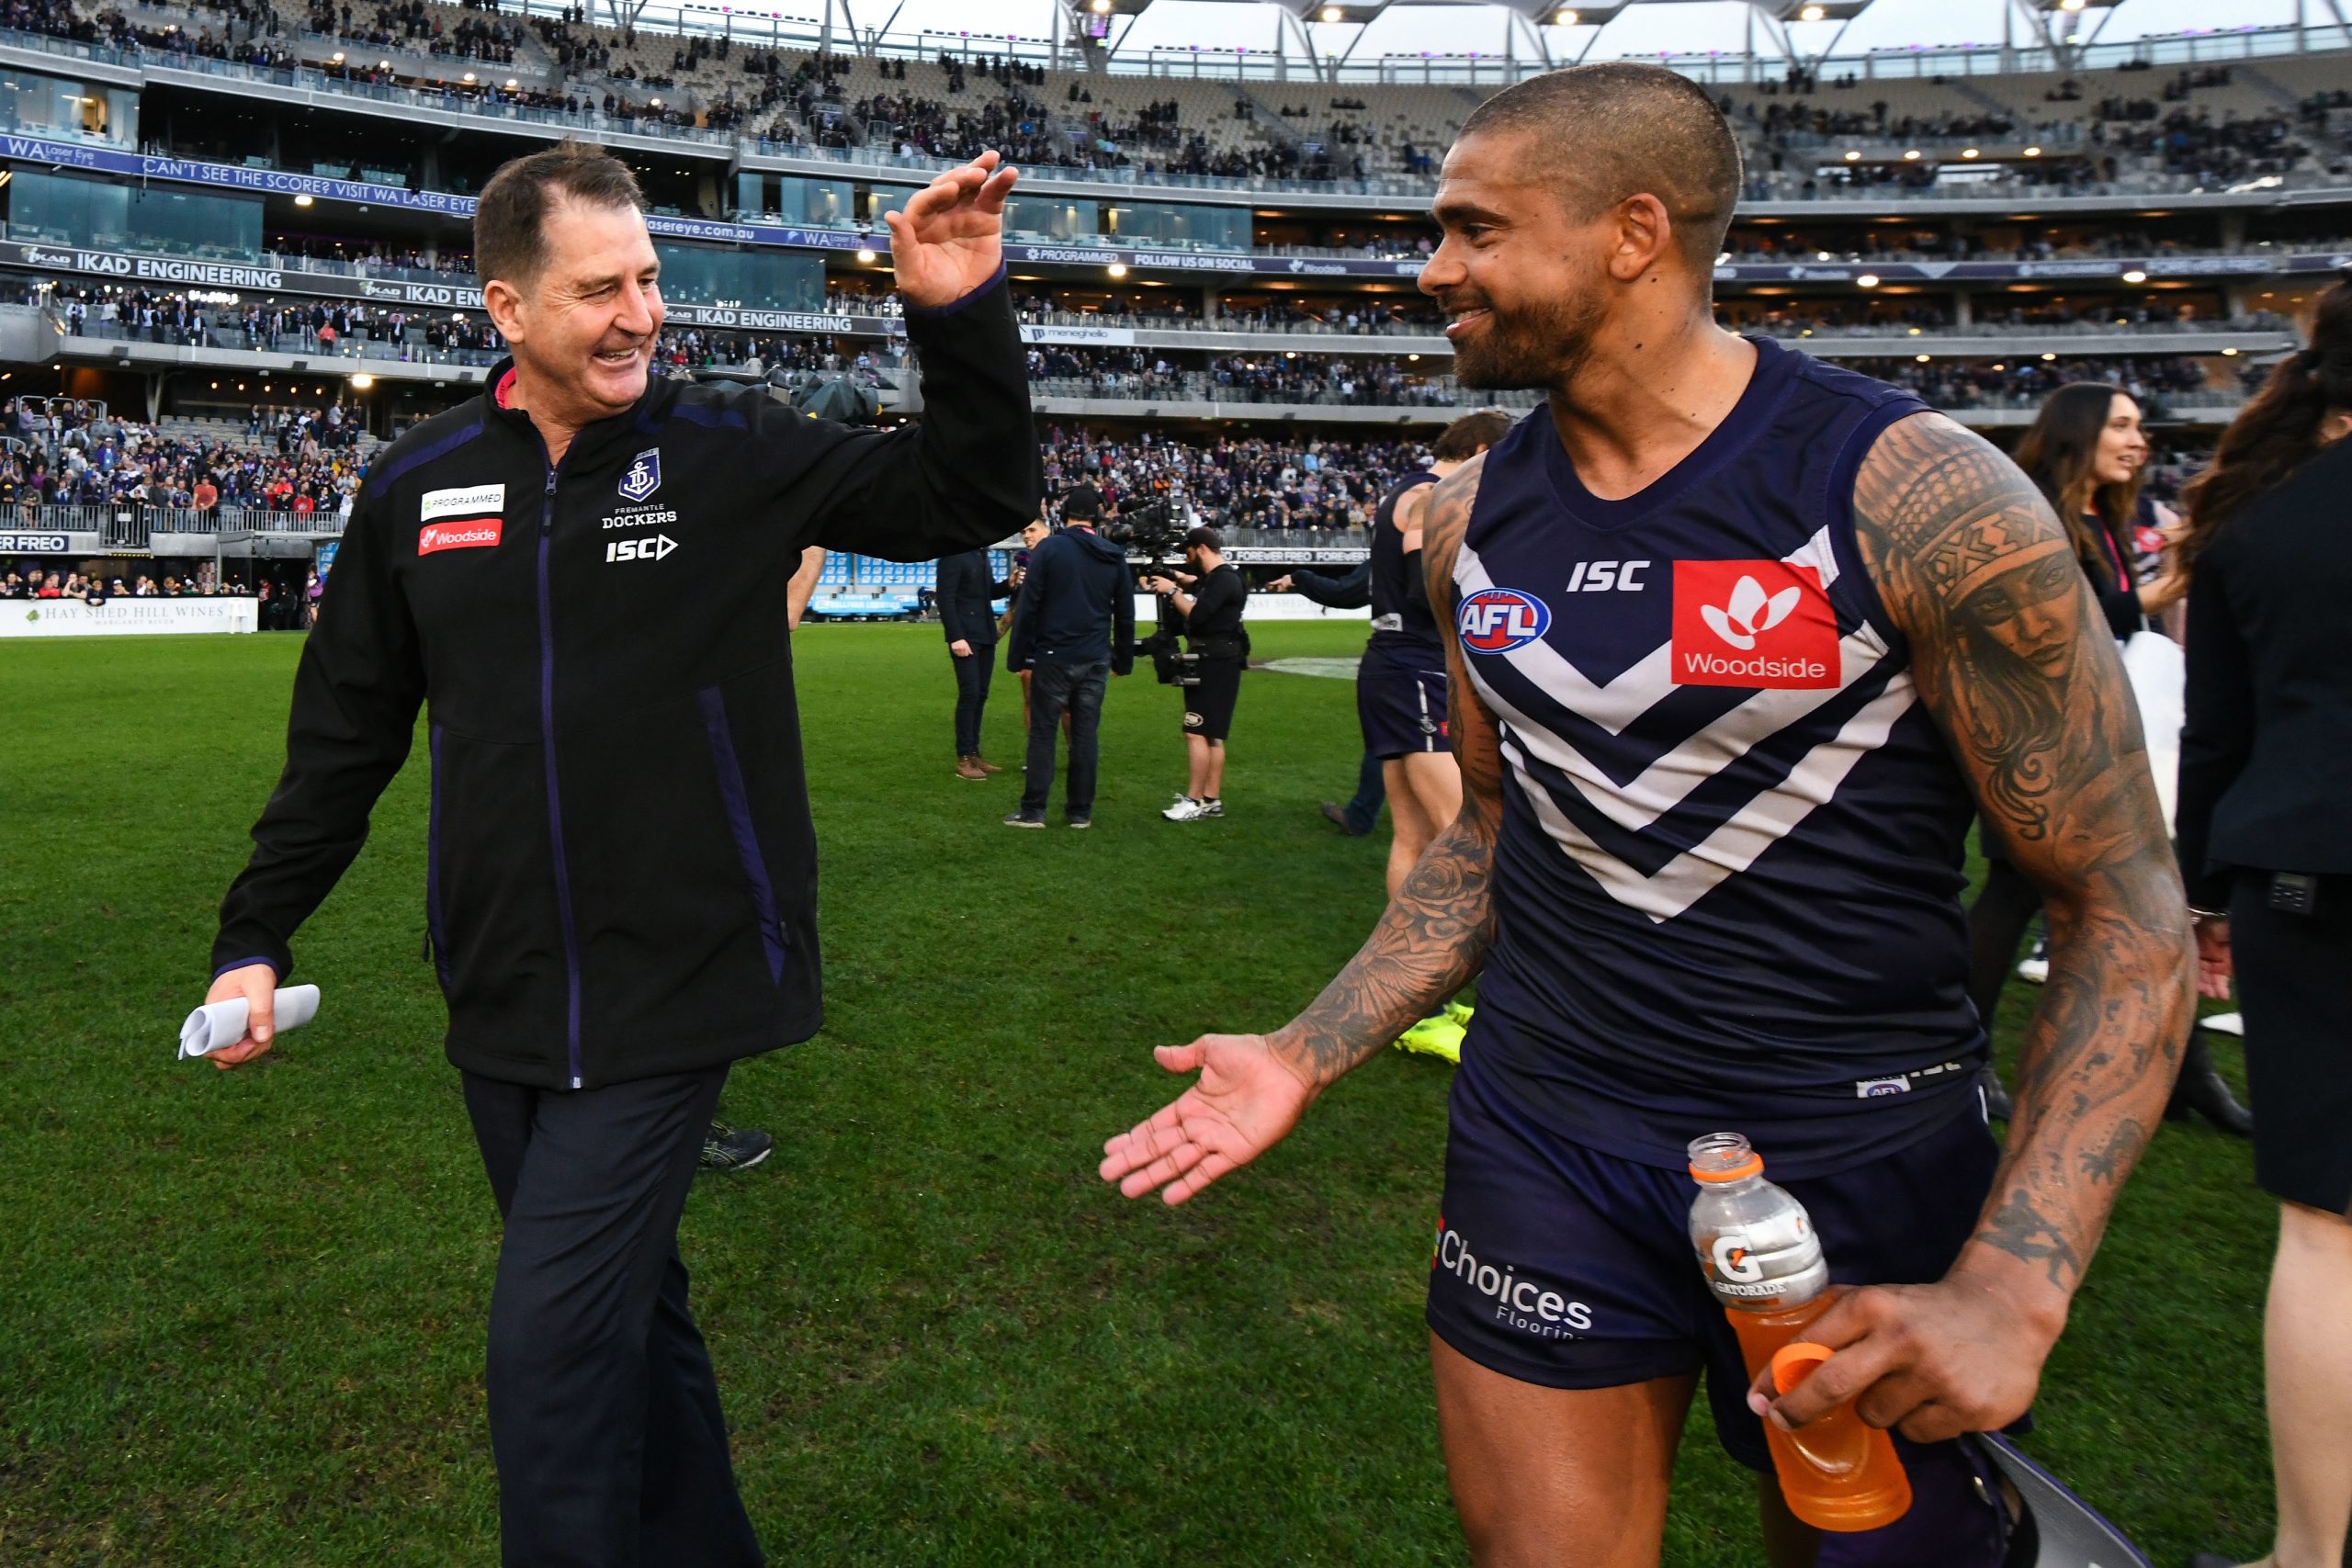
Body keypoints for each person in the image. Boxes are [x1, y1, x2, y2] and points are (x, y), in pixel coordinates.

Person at [1100, 63, 2192, 1568]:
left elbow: (2122, 901)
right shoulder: (1475, 525)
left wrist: (2017, 1276)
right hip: (1545, 1131)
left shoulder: (1917, 498)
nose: (1434, 270)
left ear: (1632, 233)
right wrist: (1303, 1050)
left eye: (1475, 230)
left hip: (1854, 1152)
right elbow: (1487, 840)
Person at [198, 138, 1035, 1566]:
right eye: (600, 288)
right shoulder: (417, 484)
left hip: (681, 979)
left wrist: (955, 315)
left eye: (647, 277)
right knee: (636, 1320)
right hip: (504, 985)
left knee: (552, 1350)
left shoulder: (732, 450)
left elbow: (968, 497)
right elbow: (344, 738)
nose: (641, 312)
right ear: (507, 311)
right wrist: (256, 932)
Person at [2175, 282, 2352, 1568]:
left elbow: (2215, 738)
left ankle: (2309, 1548)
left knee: (2327, 1228)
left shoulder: (2259, 519)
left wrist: (2195, 892)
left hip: (2306, 873)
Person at [1959, 384, 2245, 1131]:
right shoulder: (2031, 511)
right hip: (2029, 733)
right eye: (2122, 425)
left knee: (2146, 901)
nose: (2139, 439)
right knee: (2016, 894)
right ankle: (1965, 1057)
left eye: (2142, 425)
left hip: (2097, 730)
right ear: (2077, 433)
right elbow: (2059, 619)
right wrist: (2168, 589)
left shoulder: (2103, 518)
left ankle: (2188, 1073)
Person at [1002, 485, 1134, 829]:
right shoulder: (1113, 554)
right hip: (1095, 656)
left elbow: (1029, 606)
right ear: (1097, 516)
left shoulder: (1051, 549)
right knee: (1085, 735)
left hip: (1054, 654)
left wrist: (1017, 656)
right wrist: (1123, 659)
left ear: (1066, 514)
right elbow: (1126, 613)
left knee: (1044, 732)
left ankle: (1034, 811)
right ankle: (1080, 812)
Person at [1148, 525, 1248, 820]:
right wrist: (1176, 577)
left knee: (1195, 731)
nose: (1186, 558)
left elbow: (1197, 613)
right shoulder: (1224, 577)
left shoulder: (1224, 580)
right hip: (1222, 660)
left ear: (1201, 548)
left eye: (1188, 552)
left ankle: (1193, 801)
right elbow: (1199, 583)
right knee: (1213, 735)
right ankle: (1211, 800)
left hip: (1213, 662)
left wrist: (1172, 591)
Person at [936, 544, 1012, 780]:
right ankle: (964, 757)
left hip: (985, 634)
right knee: (970, 694)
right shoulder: (953, 554)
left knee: (980, 694)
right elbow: (945, 598)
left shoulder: (980, 555)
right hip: (966, 636)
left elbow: (987, 592)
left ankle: (973, 751)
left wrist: (1007, 585)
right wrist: (955, 637)